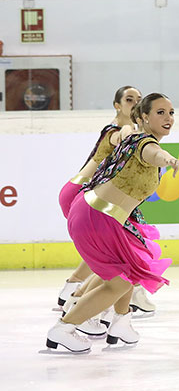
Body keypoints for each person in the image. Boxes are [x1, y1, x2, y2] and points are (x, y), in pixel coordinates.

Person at [46, 93, 179, 353]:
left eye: (171, 112)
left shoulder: (135, 137)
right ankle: (64, 328)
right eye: (160, 112)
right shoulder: (143, 142)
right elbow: (153, 153)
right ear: (143, 117)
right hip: (96, 216)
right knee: (119, 282)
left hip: (99, 213)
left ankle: (121, 321)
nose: (168, 118)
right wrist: (169, 160)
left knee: (131, 267)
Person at [56, 85, 141, 312]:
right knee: (110, 248)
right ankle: (79, 298)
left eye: (139, 100)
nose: (135, 104)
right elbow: (122, 135)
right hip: (82, 192)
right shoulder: (122, 129)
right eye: (130, 100)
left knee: (106, 247)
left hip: (82, 190)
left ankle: (76, 294)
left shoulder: (125, 127)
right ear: (117, 105)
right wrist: (129, 132)